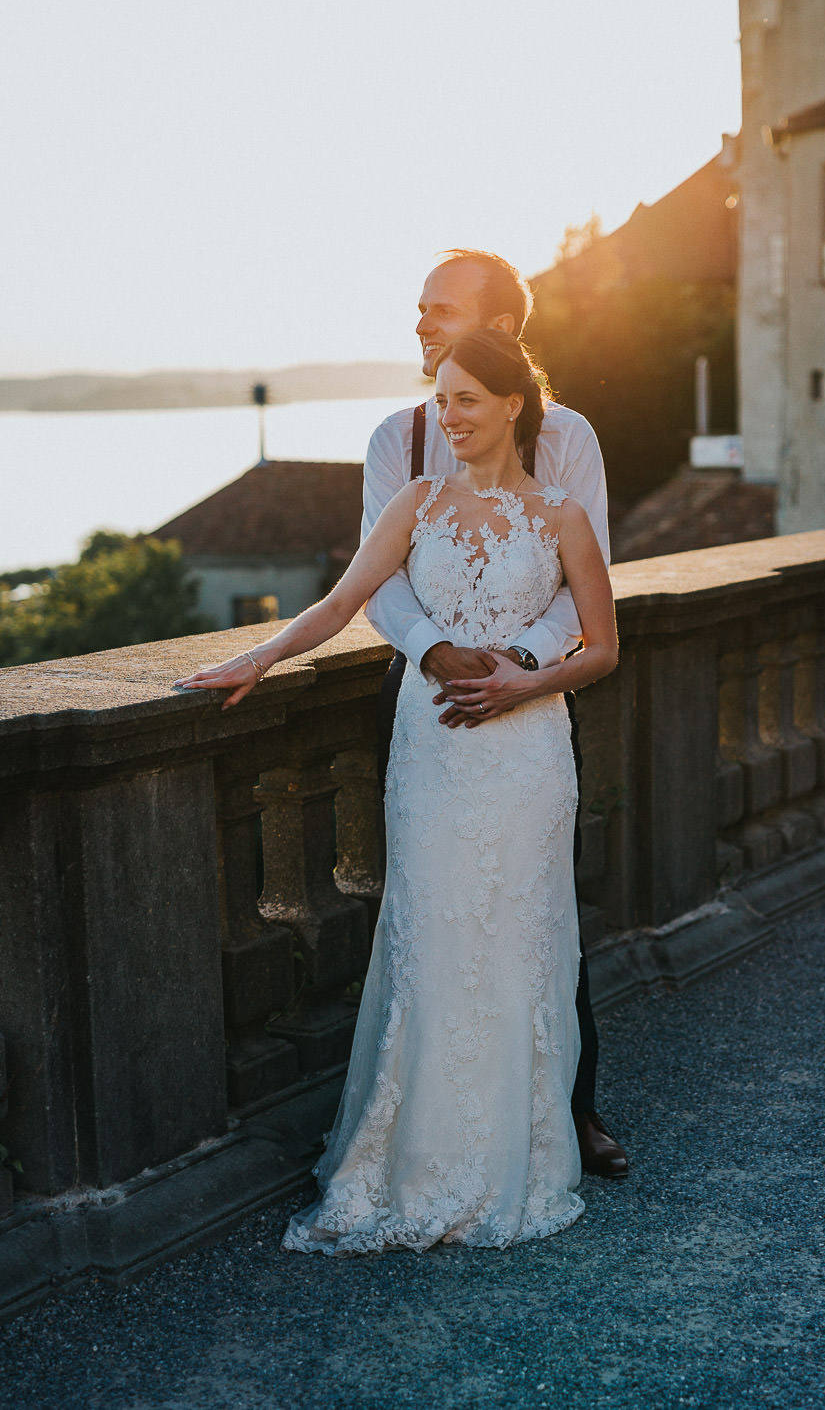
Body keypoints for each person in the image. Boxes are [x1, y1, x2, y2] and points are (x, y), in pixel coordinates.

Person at [176, 329, 618, 1254]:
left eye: (465, 400)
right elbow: (341, 605)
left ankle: (520, 1158)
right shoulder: (417, 502)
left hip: (528, 752)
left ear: (511, 404)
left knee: (519, 940)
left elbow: (603, 649)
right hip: (435, 753)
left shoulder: (565, 515)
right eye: (440, 398)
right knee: (434, 934)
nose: (446, 416)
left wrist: (521, 683)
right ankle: (411, 1155)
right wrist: (256, 657)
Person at [364, 249, 628, 1180]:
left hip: (531, 705)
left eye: (441, 310)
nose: (424, 324)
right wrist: (435, 648)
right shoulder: (397, 440)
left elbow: (581, 586)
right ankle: (432, 1121)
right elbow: (377, 583)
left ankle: (571, 1109)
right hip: (432, 710)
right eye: (421, 309)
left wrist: (517, 664)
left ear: (502, 331)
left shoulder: (573, 440)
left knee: (536, 908)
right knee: (435, 914)